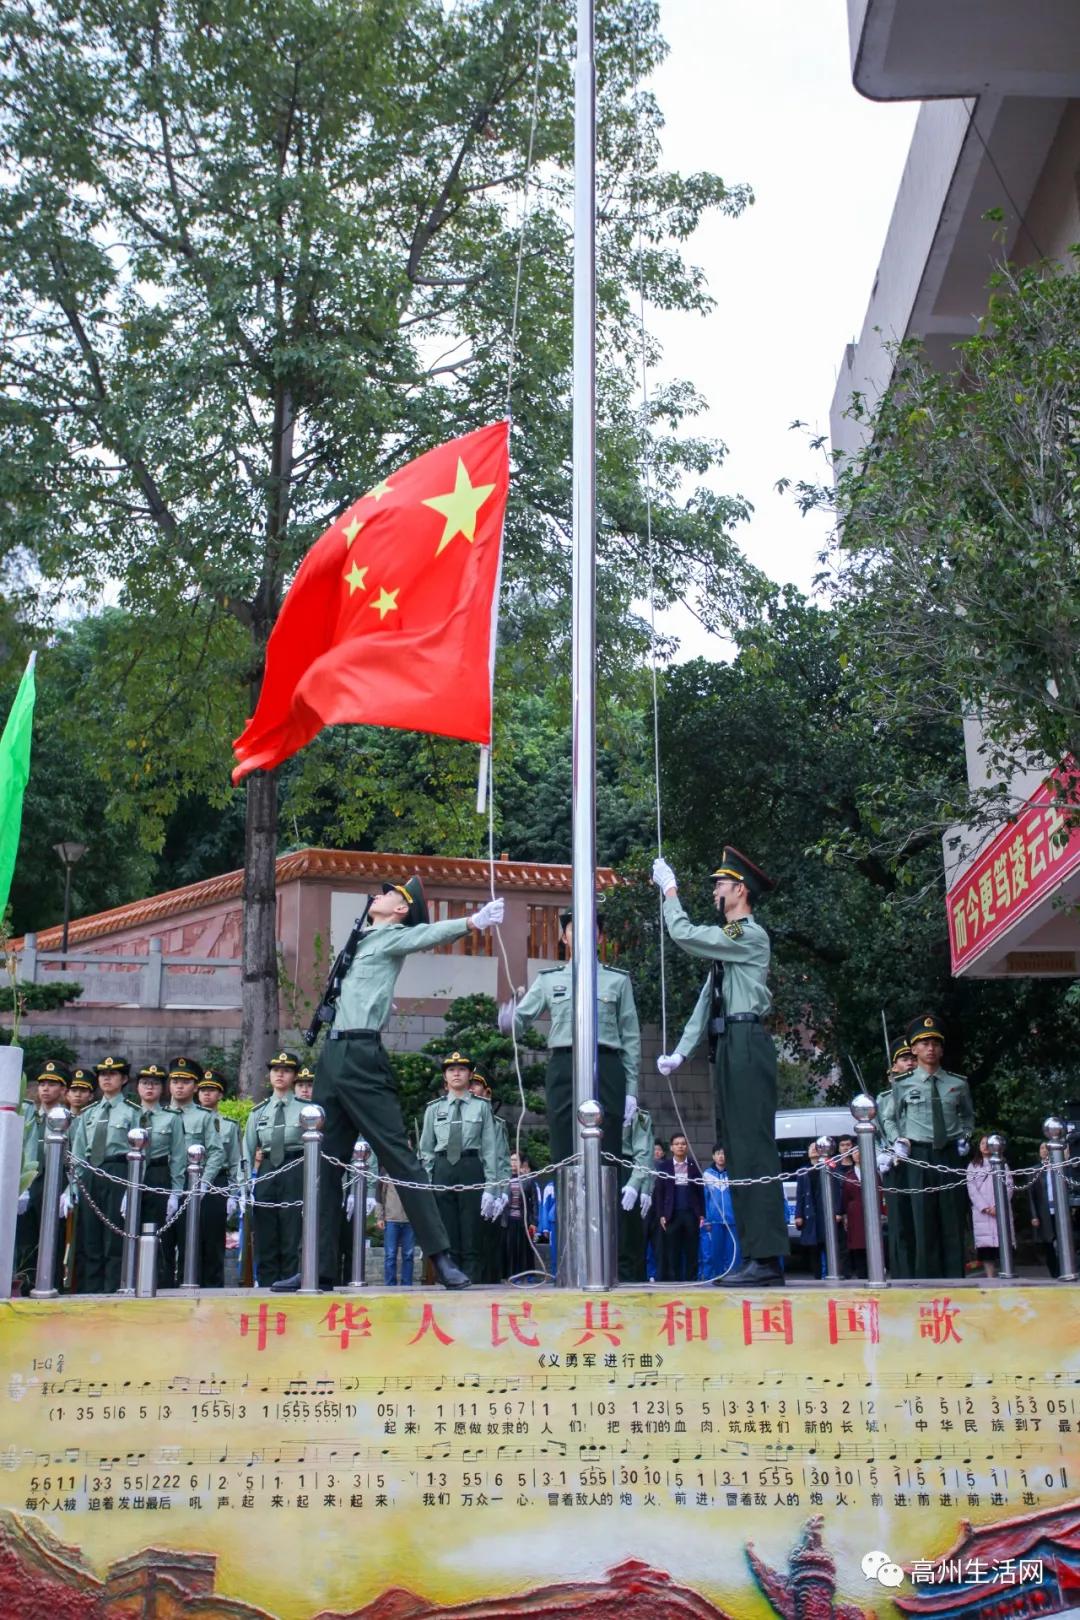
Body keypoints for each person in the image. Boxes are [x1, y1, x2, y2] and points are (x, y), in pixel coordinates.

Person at [274, 875, 503, 1292]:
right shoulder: (359, 941)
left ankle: (441, 1258)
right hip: (332, 1055)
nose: (378, 895)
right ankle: (318, 1267)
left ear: (400, 909)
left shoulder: (393, 935)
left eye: (390, 893)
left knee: (399, 1158)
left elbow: (426, 935)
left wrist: (473, 922)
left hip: (362, 1056)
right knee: (323, 1162)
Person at [653, 847, 789, 1287]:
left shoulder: (747, 934)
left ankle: (766, 1258)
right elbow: (708, 1002)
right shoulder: (730, 945)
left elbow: (686, 935)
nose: (714, 890)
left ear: (739, 890)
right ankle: (755, 1255)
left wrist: (670, 892)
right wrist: (681, 1051)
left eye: (720, 884)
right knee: (737, 1148)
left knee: (752, 1148)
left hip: (747, 1041)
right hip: (730, 1042)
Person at [500, 908, 640, 1172]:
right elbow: (521, 1020)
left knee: (608, 1146)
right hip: (564, 1064)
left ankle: (605, 1209)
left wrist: (631, 1090)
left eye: (591, 928)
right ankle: (567, 1209)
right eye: (574, 928)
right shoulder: (548, 980)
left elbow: (631, 1038)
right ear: (564, 937)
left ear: (600, 937)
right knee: (563, 1140)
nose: (583, 933)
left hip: (607, 1064)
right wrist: (508, 1021)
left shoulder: (618, 980)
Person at [879, 1014, 974, 1280]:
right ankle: (925, 1279)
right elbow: (889, 1116)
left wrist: (966, 1135)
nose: (930, 1048)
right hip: (918, 1155)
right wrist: (898, 1139)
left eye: (935, 1043)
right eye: (924, 1043)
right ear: (914, 1049)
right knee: (922, 1218)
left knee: (953, 1216)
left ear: (942, 1048)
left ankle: (954, 1276)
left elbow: (968, 1116)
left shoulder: (957, 1083)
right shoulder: (902, 1084)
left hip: (949, 1154)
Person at [419, 1053, 501, 1284]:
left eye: (462, 1069)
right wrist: (426, 1183)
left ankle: (471, 1281)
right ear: (445, 1076)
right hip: (443, 1167)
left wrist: (491, 1187)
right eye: (451, 1069)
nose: (456, 1073)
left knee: (472, 1230)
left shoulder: (482, 1107)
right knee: (446, 1230)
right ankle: (451, 1280)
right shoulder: (434, 1109)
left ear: (469, 1075)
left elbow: (489, 1149)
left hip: (471, 1166)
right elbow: (426, 1150)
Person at [70, 1056, 141, 1292]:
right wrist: (74, 1186)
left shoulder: (133, 1112)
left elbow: (142, 1155)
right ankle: (90, 1291)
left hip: (118, 1170)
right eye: (102, 1075)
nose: (106, 1078)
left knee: (114, 1237)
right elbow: (78, 1152)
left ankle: (112, 1290)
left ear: (124, 1079)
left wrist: (133, 1188)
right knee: (89, 1235)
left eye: (112, 1074)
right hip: (91, 1172)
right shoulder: (89, 1113)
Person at [160, 1056, 225, 1286]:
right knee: (161, 1246)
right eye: (175, 1080)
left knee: (194, 1245)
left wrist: (204, 1184)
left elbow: (217, 1152)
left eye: (185, 1081)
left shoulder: (204, 1117)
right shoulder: (159, 1116)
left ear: (195, 1086)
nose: (179, 1085)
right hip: (162, 1185)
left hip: (192, 1187)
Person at [244, 1051, 306, 1287]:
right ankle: (267, 1283)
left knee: (292, 1230)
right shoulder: (259, 1111)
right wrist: (246, 1183)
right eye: (275, 1070)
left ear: (294, 1076)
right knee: (265, 1230)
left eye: (287, 1070)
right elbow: (248, 1149)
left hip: (295, 1166)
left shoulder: (305, 1108)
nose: (280, 1074)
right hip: (268, 1169)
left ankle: (290, 1281)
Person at [16, 1059, 72, 1292]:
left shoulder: (68, 1119)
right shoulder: (29, 1114)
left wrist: (70, 1191)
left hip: (55, 1178)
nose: (45, 1089)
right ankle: (23, 1283)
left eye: (52, 1084)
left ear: (63, 1090)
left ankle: (51, 1283)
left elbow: (75, 1157)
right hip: (30, 1180)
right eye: (42, 1084)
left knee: (52, 1239)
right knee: (25, 1238)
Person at [134, 1063, 185, 1286]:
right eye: (145, 1083)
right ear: (137, 1087)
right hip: (131, 1175)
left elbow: (178, 1156)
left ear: (162, 1089)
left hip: (158, 1174)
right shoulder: (129, 1114)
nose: (150, 1088)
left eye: (155, 1084)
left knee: (158, 1234)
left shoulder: (171, 1118)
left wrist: (175, 1192)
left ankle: (159, 1282)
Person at [197, 1067, 245, 1287]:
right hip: (191, 1179)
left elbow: (235, 1161)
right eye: (203, 1089)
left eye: (212, 1090)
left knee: (214, 1238)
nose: (206, 1094)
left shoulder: (229, 1126)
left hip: (217, 1182)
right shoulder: (188, 1120)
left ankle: (213, 1286)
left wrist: (235, 1194)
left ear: (221, 1095)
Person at [877, 1039, 917, 1279]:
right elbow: (874, 1130)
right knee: (899, 1223)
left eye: (912, 1058)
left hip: (920, 1159)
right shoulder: (883, 1099)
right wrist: (883, 1153)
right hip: (893, 1163)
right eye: (904, 1059)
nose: (910, 1062)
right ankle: (902, 1271)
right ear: (892, 1069)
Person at [470, 1069, 510, 1283]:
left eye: (476, 1084)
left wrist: (502, 1192)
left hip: (490, 1188)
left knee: (489, 1244)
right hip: (467, 1185)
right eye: (470, 1084)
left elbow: (503, 1161)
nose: (472, 1088)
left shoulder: (496, 1124)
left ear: (487, 1092)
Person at [654, 1133, 705, 1282]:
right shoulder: (665, 1166)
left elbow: (700, 1191)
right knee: (672, 1250)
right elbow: (660, 1193)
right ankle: (674, 1281)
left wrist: (701, 1213)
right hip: (672, 1214)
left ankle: (692, 1280)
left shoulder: (694, 1165)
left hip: (691, 1213)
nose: (680, 1146)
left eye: (683, 1143)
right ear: (671, 1148)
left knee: (692, 1249)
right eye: (677, 1144)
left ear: (687, 1147)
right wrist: (661, 1215)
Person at [967, 1134, 1014, 1278]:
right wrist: (985, 1208)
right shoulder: (972, 1166)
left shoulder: (1003, 1164)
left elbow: (1009, 1186)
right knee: (987, 1251)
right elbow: (972, 1189)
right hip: (983, 1213)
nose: (985, 1146)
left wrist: (998, 1206)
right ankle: (990, 1278)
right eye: (982, 1143)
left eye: (988, 1143)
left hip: (1000, 1210)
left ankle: (1007, 1273)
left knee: (1004, 1244)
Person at [618, 1103, 656, 1282]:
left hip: (629, 1171)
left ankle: (630, 1278)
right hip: (599, 1165)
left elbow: (644, 1153)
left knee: (629, 1234)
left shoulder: (637, 1114)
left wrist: (645, 1187)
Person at [701, 1145, 741, 1280]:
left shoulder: (733, 1173)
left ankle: (733, 1276)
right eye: (718, 1154)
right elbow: (704, 1198)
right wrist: (706, 1218)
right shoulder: (707, 1174)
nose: (721, 1156)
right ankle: (716, 1277)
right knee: (715, 1251)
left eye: (723, 1154)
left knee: (733, 1251)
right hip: (715, 1220)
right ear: (713, 1156)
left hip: (732, 1219)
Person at [376, 1161, 416, 1285]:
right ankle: (390, 1285)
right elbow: (379, 1195)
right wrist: (379, 1216)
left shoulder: (414, 1169)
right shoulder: (386, 1169)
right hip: (391, 1219)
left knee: (409, 1255)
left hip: (409, 1220)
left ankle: (407, 1285)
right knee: (390, 1255)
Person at [502, 1151, 539, 1278]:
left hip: (523, 1220)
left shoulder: (528, 1181)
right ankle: (509, 1275)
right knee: (509, 1248)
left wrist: (534, 1222)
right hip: (508, 1220)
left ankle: (526, 1275)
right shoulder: (504, 1180)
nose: (513, 1163)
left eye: (515, 1160)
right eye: (511, 1160)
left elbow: (534, 1203)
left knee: (524, 1249)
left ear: (521, 1163)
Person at [793, 1141, 824, 1279]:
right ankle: (817, 1275)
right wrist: (798, 1215)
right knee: (813, 1246)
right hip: (809, 1213)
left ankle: (828, 1272)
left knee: (826, 1244)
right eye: (811, 1148)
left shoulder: (827, 1167)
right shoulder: (803, 1171)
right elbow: (799, 1195)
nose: (813, 1150)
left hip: (823, 1213)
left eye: (816, 1148)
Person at [1029, 1143, 1061, 1277]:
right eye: (1041, 1148)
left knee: (1063, 1241)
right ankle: (1055, 1272)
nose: (1044, 1150)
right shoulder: (1034, 1170)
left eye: (1047, 1148)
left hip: (1059, 1212)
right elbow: (1031, 1196)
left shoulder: (1059, 1167)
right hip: (1044, 1213)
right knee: (1048, 1243)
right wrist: (1034, 1216)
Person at [643, 1139, 667, 1281]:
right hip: (644, 1209)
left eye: (659, 1150)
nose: (656, 1152)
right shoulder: (642, 1165)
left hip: (659, 1211)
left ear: (663, 1152)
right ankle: (644, 1274)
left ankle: (659, 1275)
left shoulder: (666, 1168)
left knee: (659, 1246)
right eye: (654, 1149)